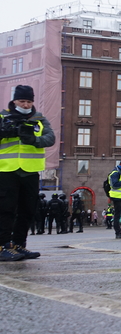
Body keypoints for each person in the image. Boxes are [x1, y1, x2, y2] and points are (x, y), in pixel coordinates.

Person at [0, 85, 55, 261]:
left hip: (30, 171)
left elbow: (50, 138)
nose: (25, 105)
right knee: (6, 209)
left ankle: (19, 245)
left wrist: (34, 140)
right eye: (22, 101)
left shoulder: (39, 119)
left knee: (27, 210)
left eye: (29, 101)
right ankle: (3, 246)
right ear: (14, 101)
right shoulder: (3, 117)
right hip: (7, 170)